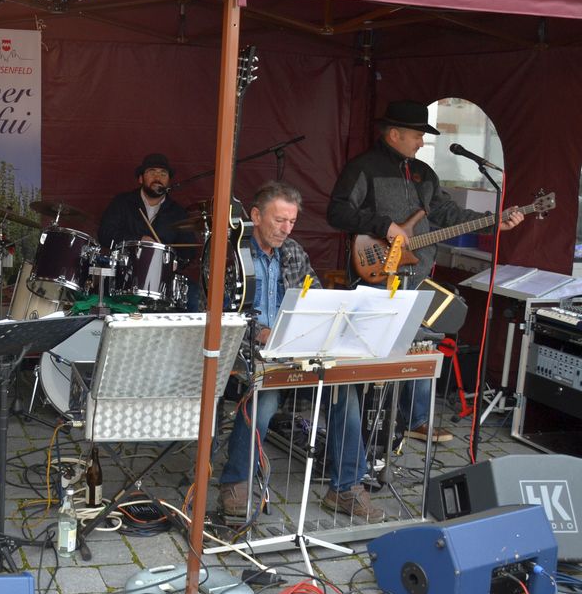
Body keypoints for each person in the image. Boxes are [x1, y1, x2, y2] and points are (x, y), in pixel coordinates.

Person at [327, 99, 523, 442]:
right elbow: (337, 212)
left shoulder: (424, 174)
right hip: (376, 275)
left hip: (417, 276)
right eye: (417, 135)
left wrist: (494, 223)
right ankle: (362, 424)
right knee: (369, 352)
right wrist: (384, 225)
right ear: (394, 134)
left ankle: (417, 420)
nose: (421, 142)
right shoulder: (363, 168)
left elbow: (449, 215)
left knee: (422, 344)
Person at [219, 181, 383, 521]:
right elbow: (221, 313)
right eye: (279, 220)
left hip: (297, 349)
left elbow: (316, 297)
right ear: (255, 216)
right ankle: (236, 482)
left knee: (343, 392)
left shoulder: (293, 251)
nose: (286, 229)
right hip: (248, 352)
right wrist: (262, 333)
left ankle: (345, 488)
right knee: (263, 402)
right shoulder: (231, 253)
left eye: (291, 221)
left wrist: (319, 329)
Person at [98, 152, 190, 249]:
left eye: (163, 174)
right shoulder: (122, 202)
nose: (157, 178)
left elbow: (188, 250)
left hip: (161, 259)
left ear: (168, 181)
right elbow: (104, 234)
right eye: (152, 172)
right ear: (141, 179)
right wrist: (138, 240)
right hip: (125, 258)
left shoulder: (178, 213)